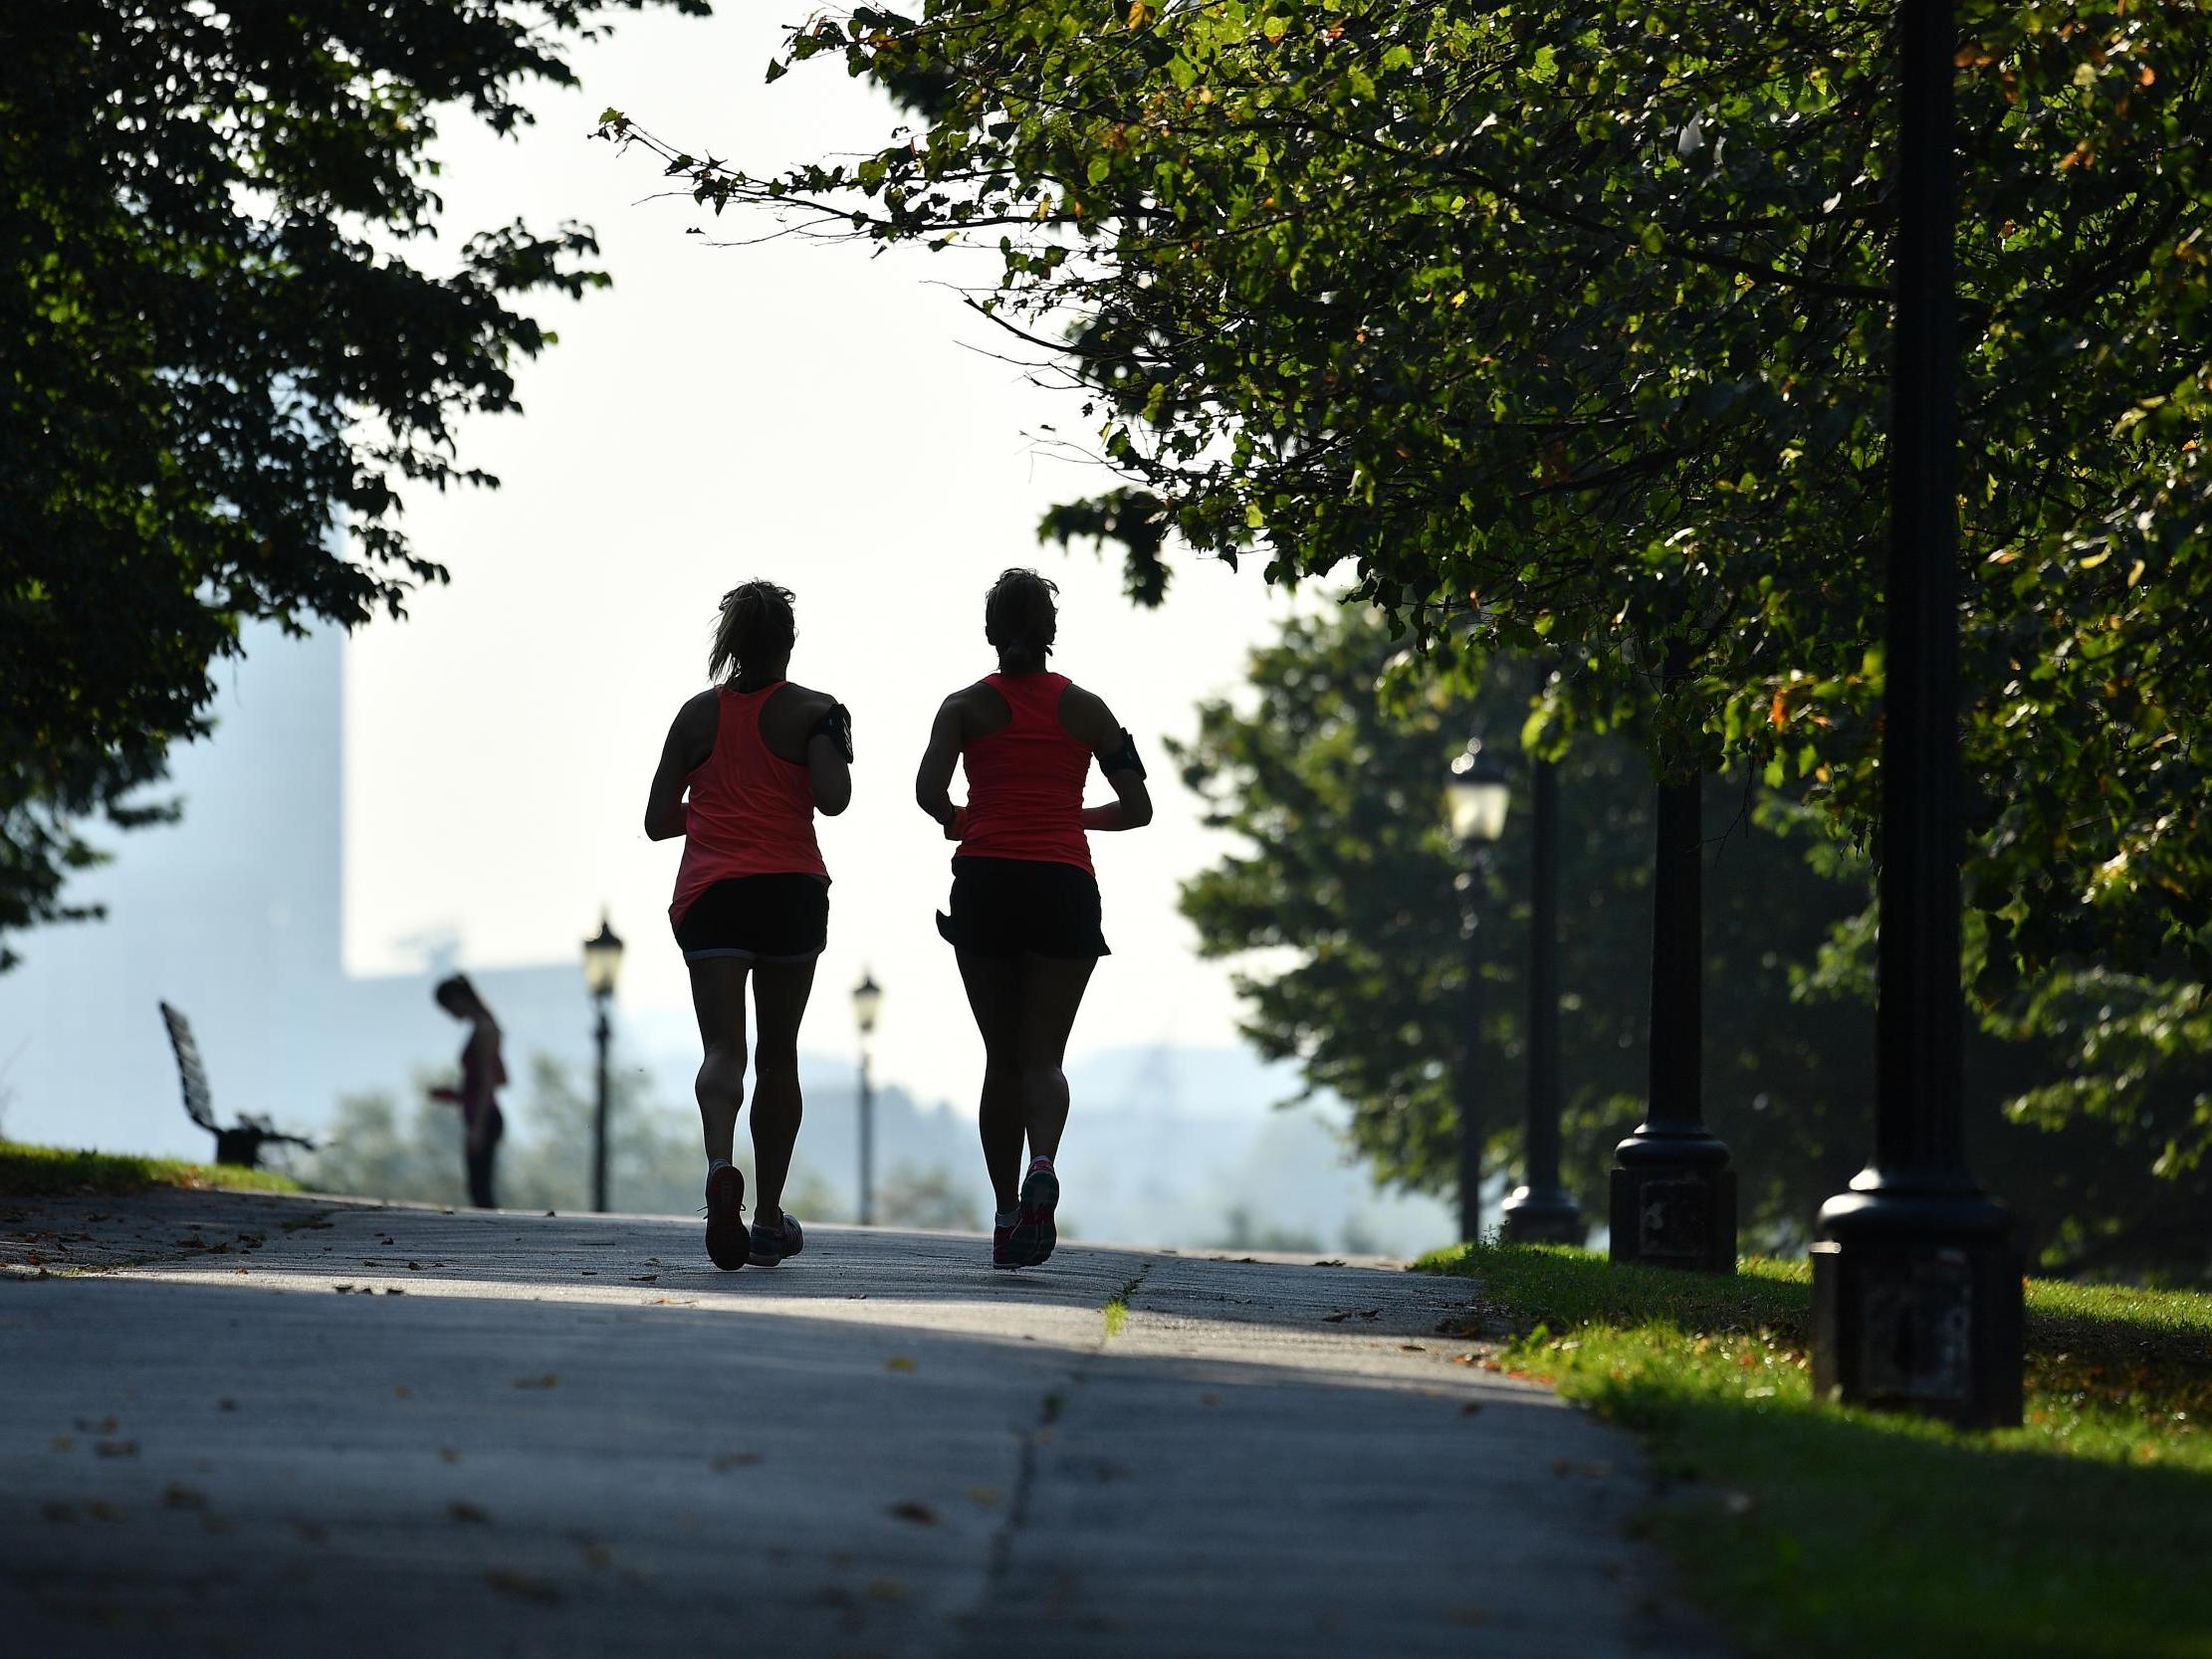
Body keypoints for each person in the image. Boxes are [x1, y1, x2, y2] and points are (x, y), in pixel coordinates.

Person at [915, 568, 1152, 1269]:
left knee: (1003, 1058)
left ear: (990, 632)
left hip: (987, 881)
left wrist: (966, 818)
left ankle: (1006, 1212)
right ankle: (1042, 1161)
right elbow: (1138, 806)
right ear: (1051, 632)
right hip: (1063, 883)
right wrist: (1065, 817)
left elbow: (928, 791)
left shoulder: (962, 708)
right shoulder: (1088, 709)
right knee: (1045, 1056)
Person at [645, 580, 851, 1270]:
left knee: (722, 1051)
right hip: (790, 888)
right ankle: (766, 1217)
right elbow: (834, 798)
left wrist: (711, 811)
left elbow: (656, 820)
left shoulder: (695, 717)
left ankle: (717, 1165)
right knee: (779, 1054)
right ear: (789, 641)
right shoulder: (816, 712)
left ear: (728, 642)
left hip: (711, 895)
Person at [429, 974, 506, 1209]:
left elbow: (487, 1082)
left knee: (479, 1188)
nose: (450, 1014)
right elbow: (500, 1078)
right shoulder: (486, 1026)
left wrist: (478, 1127)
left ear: (457, 999)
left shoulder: (483, 1029)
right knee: (479, 1187)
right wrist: (455, 1094)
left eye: (448, 1007)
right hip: (482, 1114)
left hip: (484, 1117)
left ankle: (495, 1240)